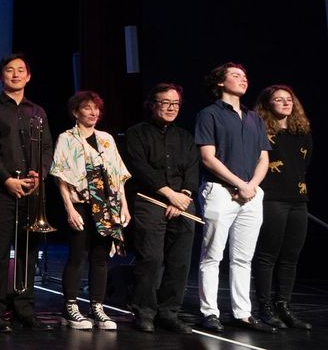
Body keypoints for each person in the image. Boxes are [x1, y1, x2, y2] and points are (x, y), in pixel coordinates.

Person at [194, 63, 274, 333]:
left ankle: (243, 312)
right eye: (236, 76)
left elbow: (264, 157)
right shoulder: (209, 114)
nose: (243, 80)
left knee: (243, 258)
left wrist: (251, 186)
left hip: (251, 194)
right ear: (220, 82)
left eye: (245, 76)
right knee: (212, 254)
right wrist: (239, 183)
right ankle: (210, 311)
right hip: (220, 192)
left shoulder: (255, 118)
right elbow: (207, 157)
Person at [0, 53, 55, 332]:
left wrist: (40, 174)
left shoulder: (38, 112)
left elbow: (46, 148)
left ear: (29, 76)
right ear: (1, 76)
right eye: (9, 70)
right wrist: (7, 179)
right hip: (1, 190)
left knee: (28, 252)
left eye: (21, 70)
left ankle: (24, 308)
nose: (15, 74)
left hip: (32, 190)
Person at [50, 91, 131, 330]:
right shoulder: (67, 138)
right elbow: (61, 177)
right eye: (87, 108)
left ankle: (97, 307)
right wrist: (69, 209)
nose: (94, 113)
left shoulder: (107, 139)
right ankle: (70, 307)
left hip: (106, 205)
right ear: (76, 112)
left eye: (96, 108)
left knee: (100, 257)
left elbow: (118, 176)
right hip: (81, 203)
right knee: (77, 254)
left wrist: (123, 206)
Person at [123, 83, 198, 334]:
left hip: (183, 204)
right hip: (150, 201)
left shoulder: (186, 137)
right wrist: (169, 195)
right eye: (165, 103)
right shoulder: (136, 133)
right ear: (152, 105)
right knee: (152, 258)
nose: (171, 108)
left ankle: (169, 312)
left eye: (175, 103)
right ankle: (144, 312)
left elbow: (192, 169)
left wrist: (184, 196)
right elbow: (139, 168)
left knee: (179, 261)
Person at [252, 84, 313, 330]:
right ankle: (265, 307)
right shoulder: (262, 132)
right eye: (279, 99)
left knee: (291, 256)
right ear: (268, 105)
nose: (286, 103)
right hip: (273, 199)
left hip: (298, 200)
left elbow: (305, 163)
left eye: (289, 99)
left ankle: (283, 305)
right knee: (268, 254)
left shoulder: (302, 132)